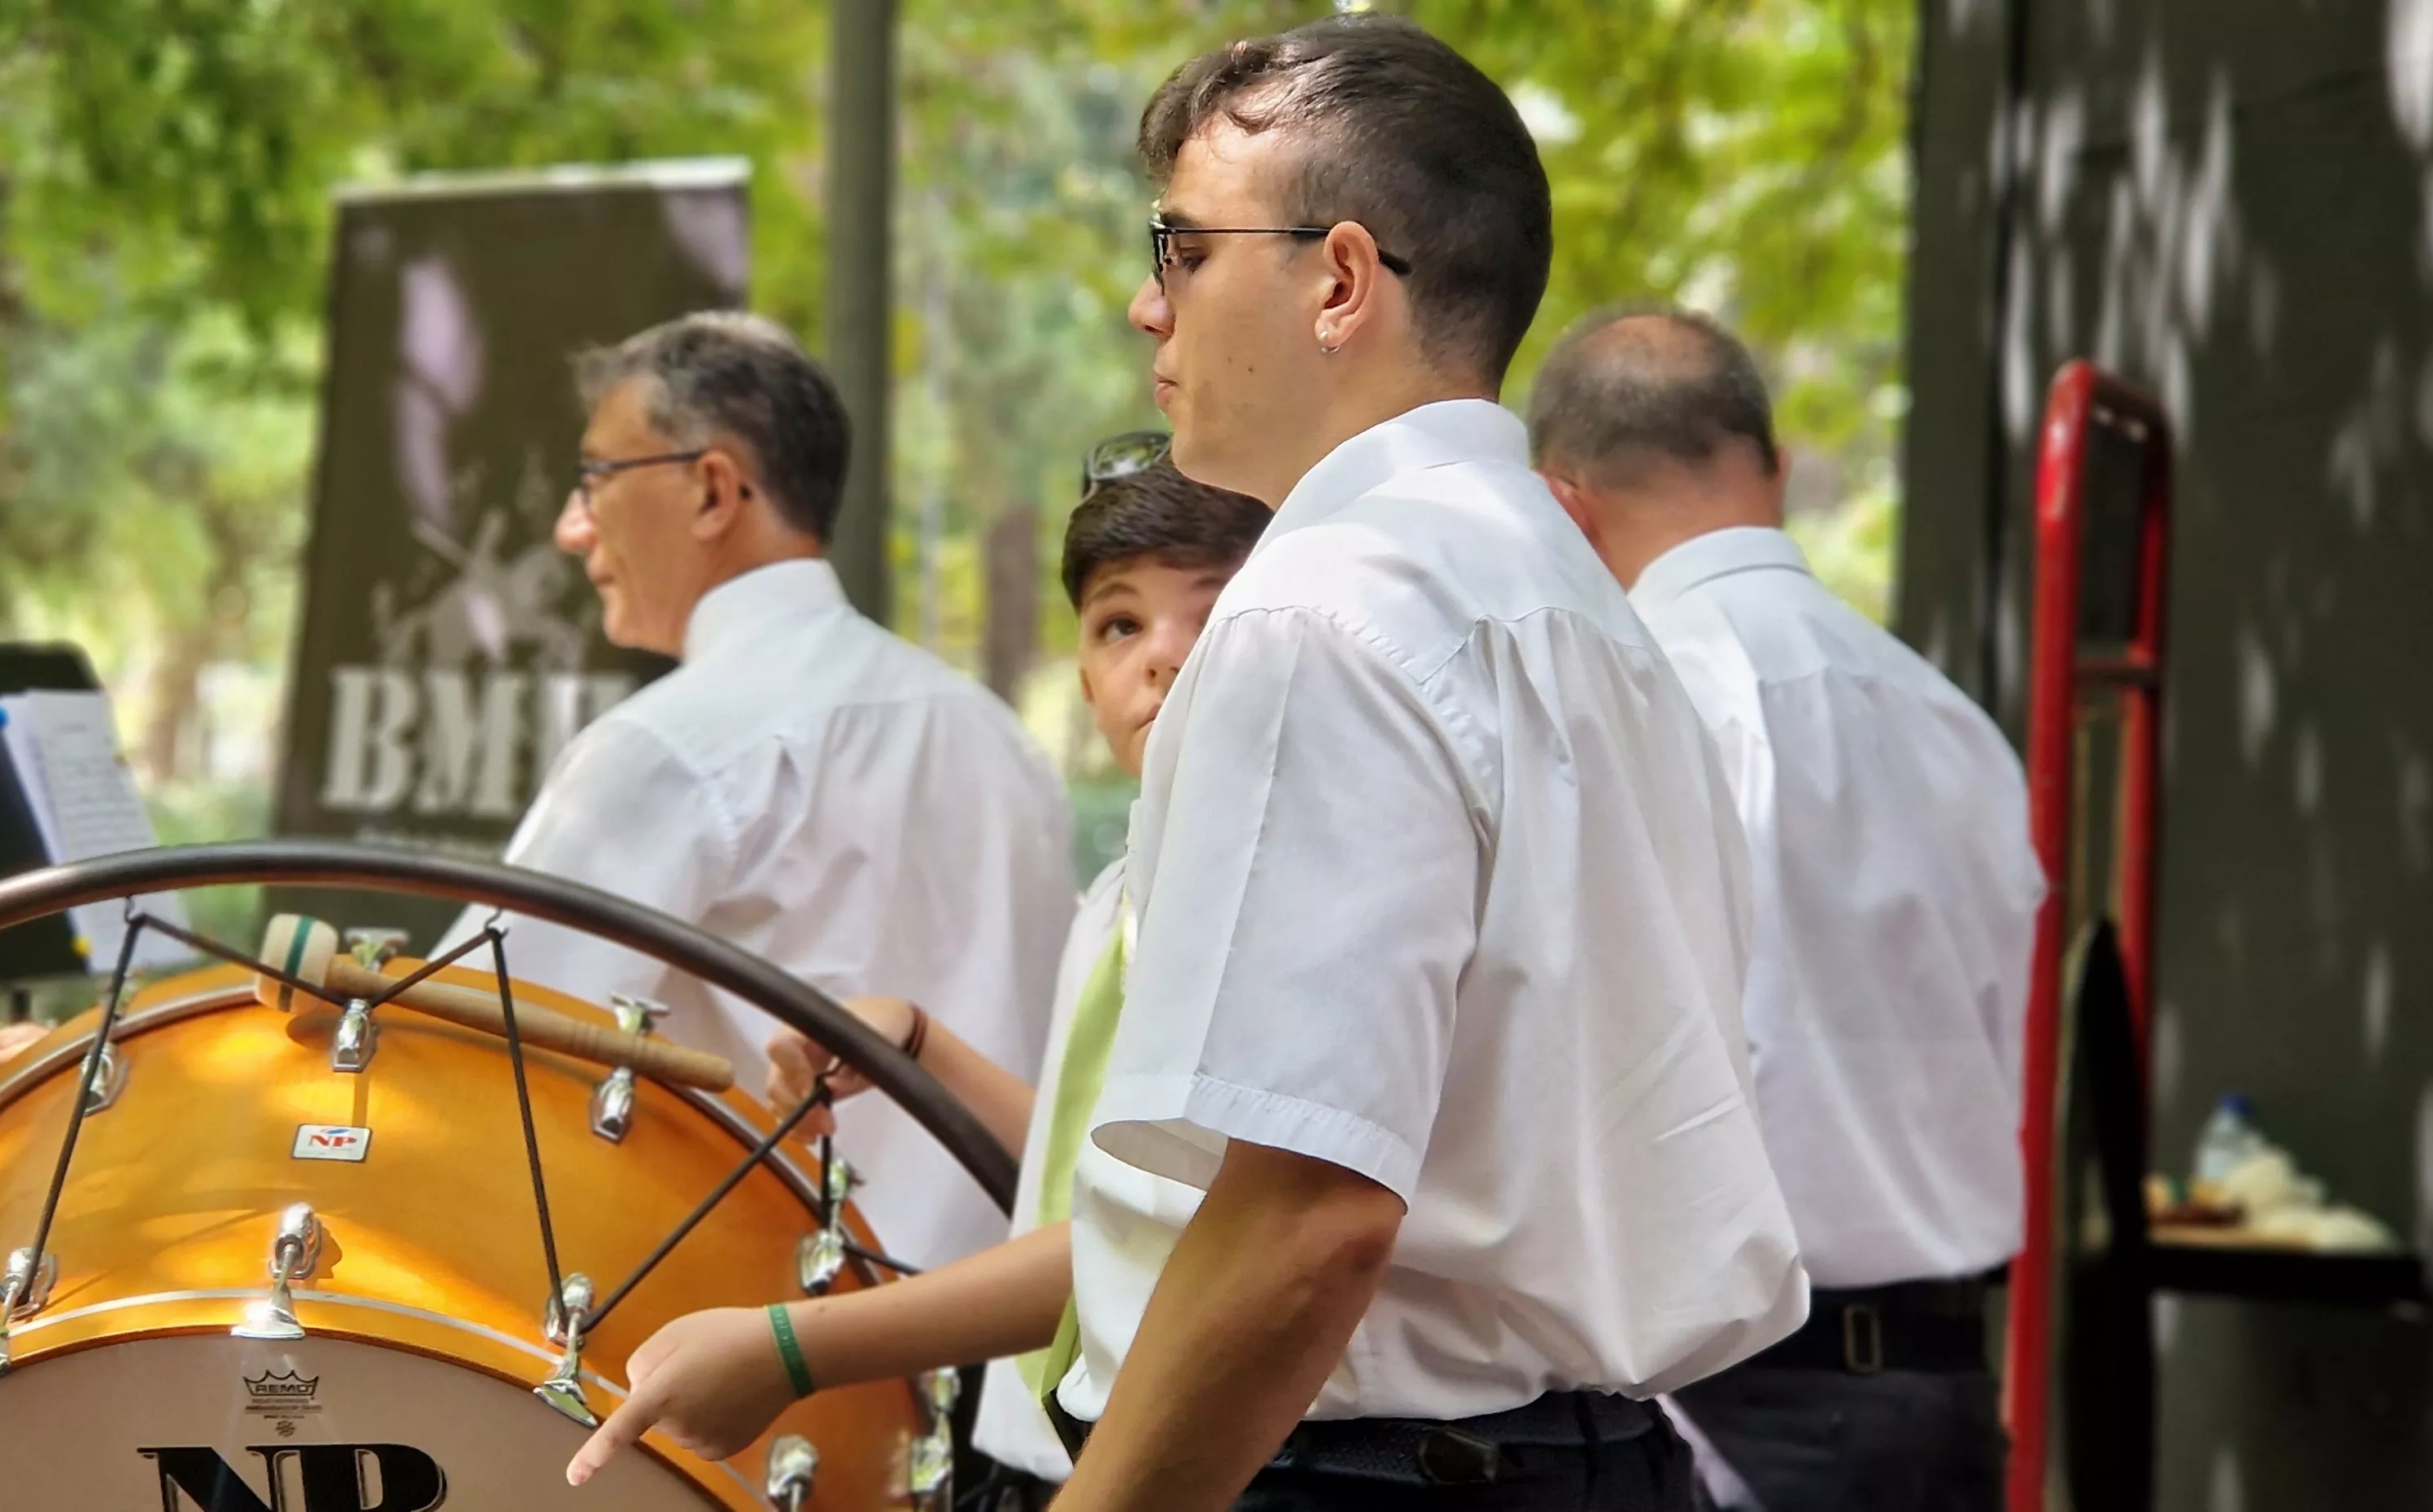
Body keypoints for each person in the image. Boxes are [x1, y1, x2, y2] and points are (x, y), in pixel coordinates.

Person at [575, 24, 1801, 1510]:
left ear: (1340, 280)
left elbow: (1304, 1217)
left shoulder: (1325, 608)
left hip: (1352, 1468)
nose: (1143, 305)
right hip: (1585, 1454)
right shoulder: (1581, 610)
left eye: (1182, 247)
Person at [422, 309, 1075, 1280]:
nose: (571, 527)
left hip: (786, 1366)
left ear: (713, 490)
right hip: (1023, 1349)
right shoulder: (996, 735)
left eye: (597, 477)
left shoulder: (672, 747)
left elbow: (462, 1049)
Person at [1528, 304, 2040, 1512]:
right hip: (1948, 1389)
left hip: (1728, 1402)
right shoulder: (1950, 720)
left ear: (1563, 504)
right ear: (1778, 469)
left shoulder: (1642, 699)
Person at [724, 448, 1269, 1511]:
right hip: (1030, 1444)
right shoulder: (1115, 896)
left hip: (1152, 1456)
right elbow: (1097, 1182)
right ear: (1081, 675)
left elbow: (1161, 1244)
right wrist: (923, 1045)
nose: (1161, 657)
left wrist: (791, 1349)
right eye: (1121, 625)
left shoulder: (1264, 899)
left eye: (1212, 613)